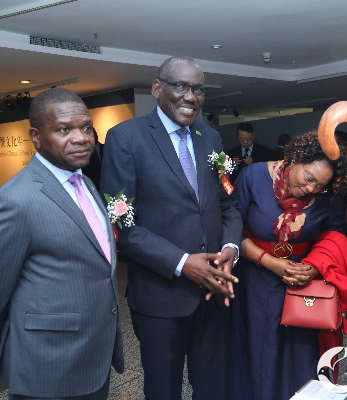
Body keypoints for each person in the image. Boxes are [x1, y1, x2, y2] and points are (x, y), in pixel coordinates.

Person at [0, 88, 124, 399]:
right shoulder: (14, 201)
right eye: (64, 130)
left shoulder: (85, 183)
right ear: (36, 137)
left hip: (95, 358)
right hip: (48, 366)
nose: (81, 138)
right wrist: (17, 345)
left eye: (86, 128)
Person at [100, 56, 242, 400]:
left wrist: (230, 249)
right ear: (157, 88)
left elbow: (228, 205)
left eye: (198, 90)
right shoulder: (126, 138)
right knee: (163, 389)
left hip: (213, 295)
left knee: (213, 386)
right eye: (180, 86)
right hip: (160, 298)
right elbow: (121, 225)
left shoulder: (210, 138)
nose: (190, 97)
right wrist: (182, 262)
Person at [229, 131, 347, 400]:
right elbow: (231, 229)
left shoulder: (327, 194)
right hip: (254, 278)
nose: (311, 189)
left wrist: (315, 266)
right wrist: (269, 262)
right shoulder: (254, 177)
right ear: (296, 157)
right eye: (308, 178)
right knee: (257, 347)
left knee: (299, 352)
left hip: (301, 282)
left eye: (319, 186)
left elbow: (336, 233)